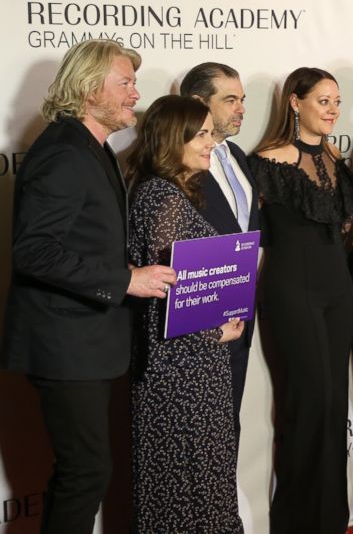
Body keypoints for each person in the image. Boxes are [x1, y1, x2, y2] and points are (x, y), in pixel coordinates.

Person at [0, 39, 175, 534]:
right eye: (125, 83)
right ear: (87, 88)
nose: (135, 94)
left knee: (85, 471)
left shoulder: (90, 146)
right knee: (86, 473)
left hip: (89, 342)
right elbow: (34, 251)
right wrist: (126, 280)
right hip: (64, 344)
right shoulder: (63, 152)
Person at [126, 94, 245, 533]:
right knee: (189, 483)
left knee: (199, 481)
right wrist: (216, 334)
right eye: (200, 134)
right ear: (172, 139)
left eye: (211, 133)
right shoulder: (163, 197)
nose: (210, 142)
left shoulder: (173, 191)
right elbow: (164, 296)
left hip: (190, 367)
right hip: (180, 374)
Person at [248, 67, 353, 533]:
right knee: (308, 403)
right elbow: (251, 237)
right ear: (295, 102)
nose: (333, 110)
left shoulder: (336, 159)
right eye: (323, 101)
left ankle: (330, 518)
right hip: (294, 291)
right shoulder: (267, 162)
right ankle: (298, 521)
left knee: (334, 405)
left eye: (337, 102)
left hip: (339, 292)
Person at [179, 62, 260, 442]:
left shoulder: (238, 156)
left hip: (240, 313)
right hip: (198, 322)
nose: (242, 108)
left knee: (229, 425)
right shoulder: (175, 165)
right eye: (231, 100)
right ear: (199, 102)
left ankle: (222, 502)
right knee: (198, 432)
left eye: (242, 99)